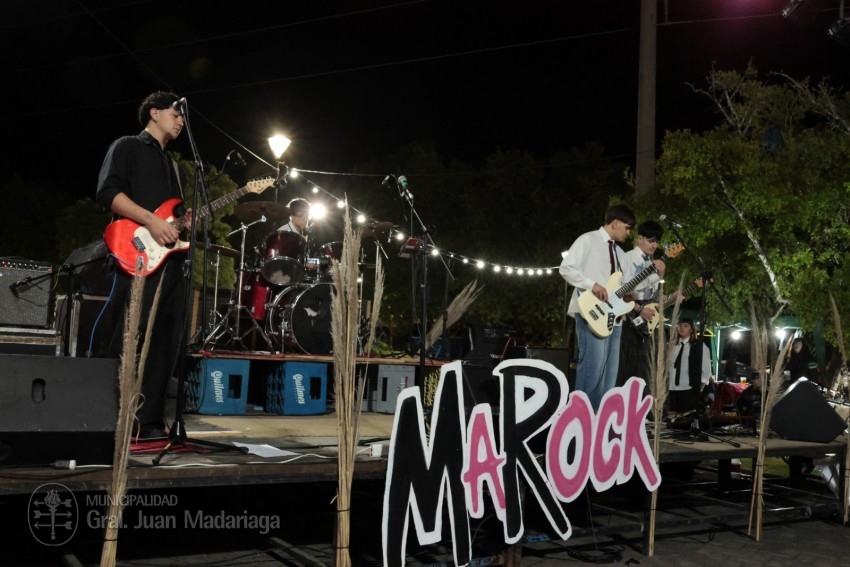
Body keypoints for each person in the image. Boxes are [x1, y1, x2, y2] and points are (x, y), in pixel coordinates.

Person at [96, 90, 191, 440]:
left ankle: (148, 422)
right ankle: (110, 418)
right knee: (128, 335)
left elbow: (173, 218)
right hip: (133, 255)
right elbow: (108, 193)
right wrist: (151, 221)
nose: (181, 121)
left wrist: (186, 223)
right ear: (154, 113)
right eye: (176, 113)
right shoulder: (127, 146)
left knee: (166, 340)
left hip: (169, 262)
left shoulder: (175, 166)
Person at [560, 204, 665, 409]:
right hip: (592, 312)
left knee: (609, 375)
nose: (629, 233)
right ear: (615, 223)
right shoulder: (588, 240)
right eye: (627, 227)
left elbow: (628, 286)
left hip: (615, 317)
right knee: (592, 369)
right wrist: (592, 284)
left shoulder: (618, 252)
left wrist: (654, 273)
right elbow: (566, 268)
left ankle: (601, 422)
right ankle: (582, 419)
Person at [617, 220, 665, 388]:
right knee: (627, 368)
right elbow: (622, 291)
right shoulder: (629, 258)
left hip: (645, 324)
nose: (654, 245)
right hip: (628, 320)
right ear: (639, 239)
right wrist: (639, 309)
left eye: (657, 241)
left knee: (643, 370)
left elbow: (651, 295)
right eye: (651, 240)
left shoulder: (652, 261)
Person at [667, 318, 713, 413]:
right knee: (673, 418)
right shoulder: (673, 346)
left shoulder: (698, 345)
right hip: (672, 388)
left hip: (688, 388)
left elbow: (706, 367)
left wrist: (700, 386)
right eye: (680, 326)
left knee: (686, 417)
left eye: (685, 326)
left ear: (691, 329)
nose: (682, 328)